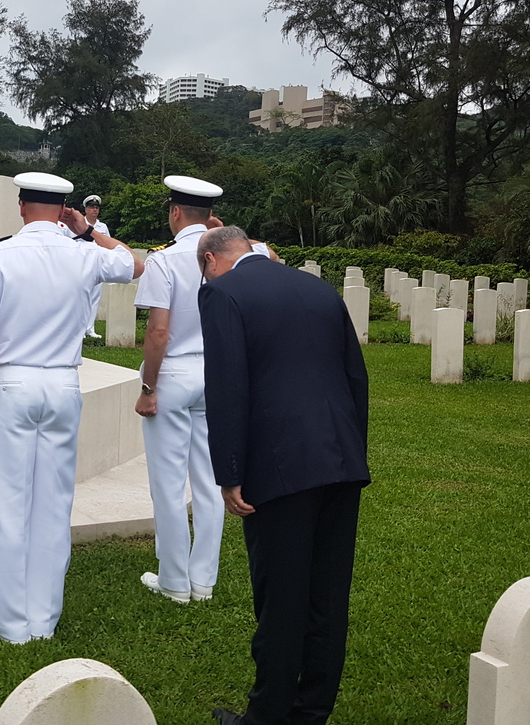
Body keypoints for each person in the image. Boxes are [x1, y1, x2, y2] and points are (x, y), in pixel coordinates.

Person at [197, 226, 370, 725]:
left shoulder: (222, 293)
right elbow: (355, 376)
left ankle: (266, 718)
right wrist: (351, 453)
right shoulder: (317, 287)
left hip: (279, 465)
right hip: (339, 460)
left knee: (281, 599)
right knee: (327, 596)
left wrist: (229, 472)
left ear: (211, 260)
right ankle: (311, 711)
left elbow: (227, 387)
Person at [0, 172, 144, 645]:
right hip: (63, 384)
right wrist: (87, 231)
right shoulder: (85, 253)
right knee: (53, 502)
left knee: (10, 502)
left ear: (22, 206)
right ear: (64, 209)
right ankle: (43, 618)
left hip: (13, 382)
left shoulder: (1, 253)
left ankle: (9, 619)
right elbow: (132, 263)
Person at [133, 175, 225, 605]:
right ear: (209, 215)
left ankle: (174, 581)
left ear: (174, 212)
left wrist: (148, 386)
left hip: (172, 374)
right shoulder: (226, 256)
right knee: (207, 480)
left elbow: (158, 331)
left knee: (168, 483)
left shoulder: (164, 261)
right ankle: (203, 579)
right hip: (214, 373)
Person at [78, 194, 110, 338]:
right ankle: (80, 328)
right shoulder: (79, 224)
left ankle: (90, 329)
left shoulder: (102, 227)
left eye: (96, 207)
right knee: (81, 298)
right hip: (82, 266)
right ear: (86, 209)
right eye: (91, 207)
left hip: (97, 265)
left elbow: (107, 243)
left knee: (94, 298)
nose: (94, 210)